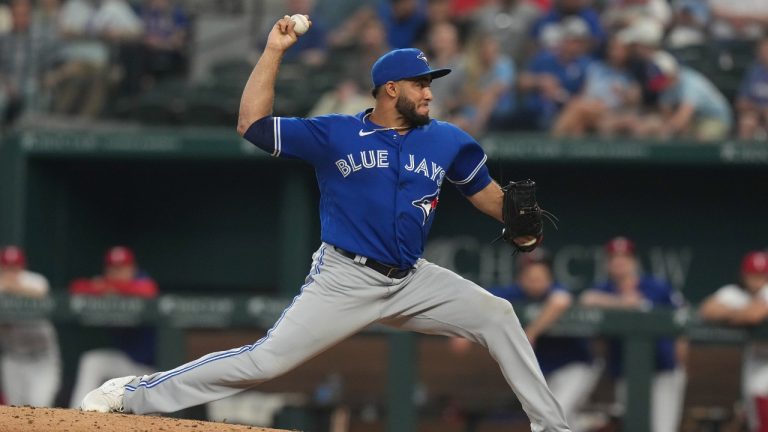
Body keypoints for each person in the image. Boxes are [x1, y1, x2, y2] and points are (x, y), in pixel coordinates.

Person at [80, 15, 572, 432]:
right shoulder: (335, 132)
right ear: (391, 89)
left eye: (430, 84)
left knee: (498, 315)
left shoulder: (446, 140)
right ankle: (132, 395)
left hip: (412, 278)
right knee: (264, 361)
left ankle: (552, 427)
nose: (429, 93)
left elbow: (487, 198)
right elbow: (251, 125)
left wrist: (518, 220)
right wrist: (275, 49)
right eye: (421, 85)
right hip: (345, 278)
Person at [580, 236, 686, 432]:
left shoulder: (657, 287)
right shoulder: (604, 289)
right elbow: (586, 300)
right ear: (607, 263)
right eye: (614, 257)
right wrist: (623, 303)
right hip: (626, 371)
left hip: (663, 369)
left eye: (625, 257)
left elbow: (683, 323)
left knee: (663, 429)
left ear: (634, 261)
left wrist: (678, 363)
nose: (619, 262)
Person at [489, 251, 600, 429]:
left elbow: (561, 301)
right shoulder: (514, 293)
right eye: (530, 277)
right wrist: (461, 333)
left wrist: (531, 332)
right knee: (558, 420)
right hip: (546, 374)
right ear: (520, 278)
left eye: (541, 277)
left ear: (549, 278)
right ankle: (587, 421)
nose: (536, 281)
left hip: (575, 366)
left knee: (555, 415)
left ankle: (586, 420)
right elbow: (482, 300)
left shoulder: (556, 290)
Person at [69, 246, 158, 408]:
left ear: (133, 268)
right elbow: (77, 287)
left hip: (154, 370)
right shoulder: (106, 287)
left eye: (122, 268)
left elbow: (148, 290)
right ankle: (76, 415)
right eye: (113, 269)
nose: (117, 274)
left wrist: (110, 286)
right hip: (128, 362)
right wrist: (104, 287)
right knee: (92, 362)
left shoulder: (142, 282)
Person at [699, 251, 768, 431]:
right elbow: (707, 309)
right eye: (753, 275)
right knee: (756, 418)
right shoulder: (736, 293)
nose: (757, 280)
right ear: (744, 275)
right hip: (757, 359)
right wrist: (739, 315)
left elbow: (754, 315)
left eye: (762, 275)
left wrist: (731, 315)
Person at [0, 245, 61, 407]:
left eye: (15, 266)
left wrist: (12, 288)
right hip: (13, 359)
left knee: (39, 407)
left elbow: (41, 294)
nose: (11, 271)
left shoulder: (35, 280)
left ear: (23, 266)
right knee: (14, 413)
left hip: (42, 359)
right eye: (7, 267)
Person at [552, 36, 639, 138]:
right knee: (578, 120)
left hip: (610, 112)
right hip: (590, 107)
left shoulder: (628, 77)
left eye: (619, 49)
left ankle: (553, 142)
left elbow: (633, 102)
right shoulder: (596, 68)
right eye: (612, 48)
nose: (614, 52)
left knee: (576, 107)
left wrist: (623, 93)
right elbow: (584, 91)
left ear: (627, 53)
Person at [736, 38, 768, 141]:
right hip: (756, 113)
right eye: (763, 50)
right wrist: (760, 109)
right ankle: (743, 155)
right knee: (747, 122)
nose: (765, 54)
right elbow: (741, 102)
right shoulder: (753, 73)